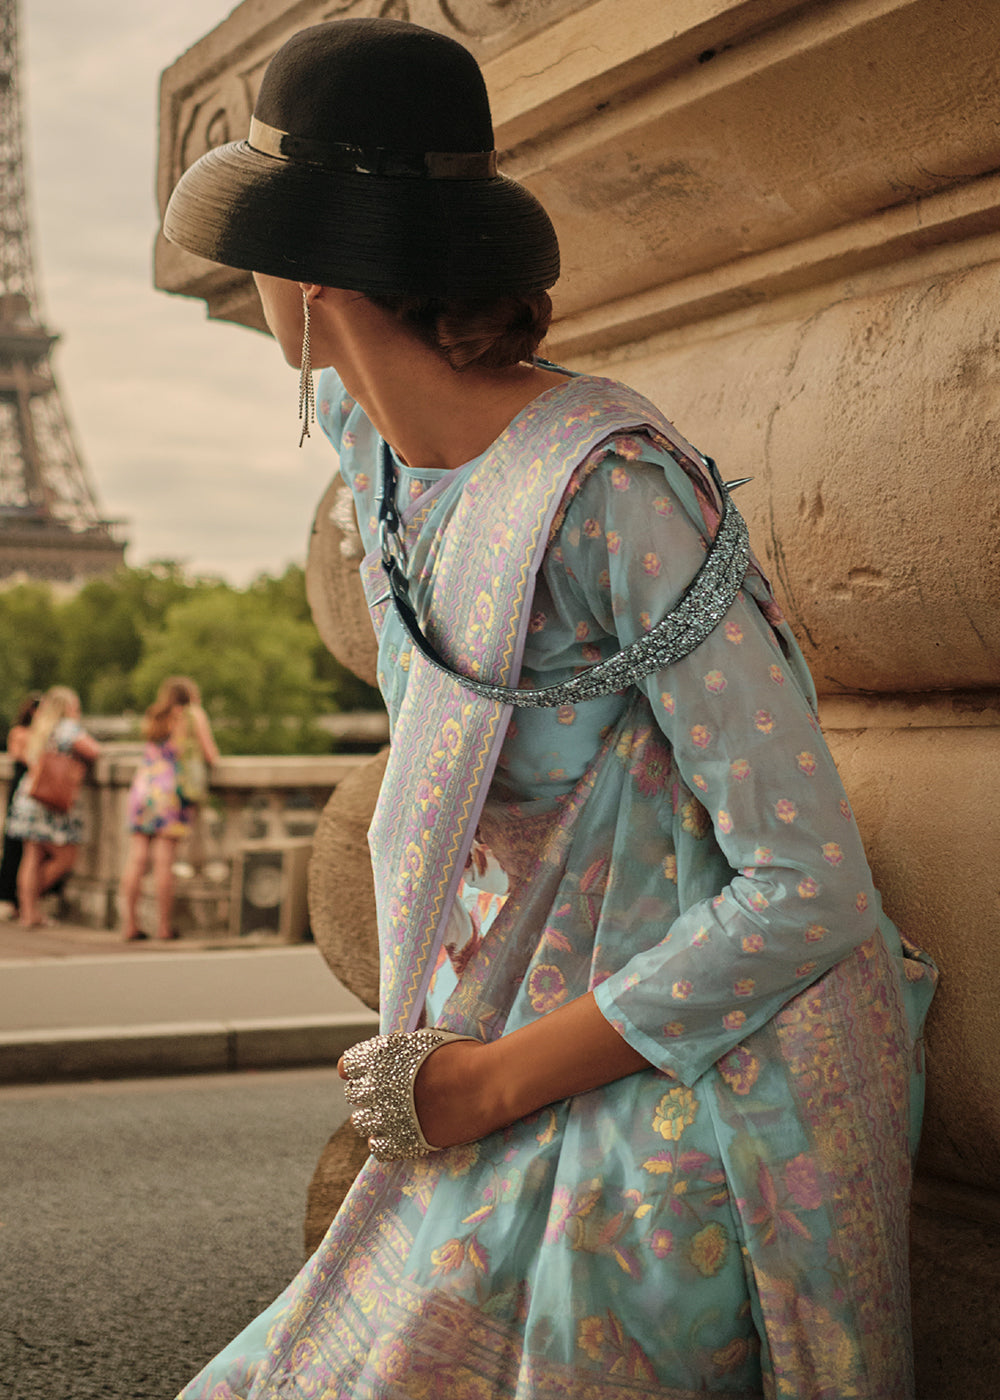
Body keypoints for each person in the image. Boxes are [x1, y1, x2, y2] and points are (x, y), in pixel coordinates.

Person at [163, 18, 937, 1399]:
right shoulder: (380, 451)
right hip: (502, 1069)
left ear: (318, 273)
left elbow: (809, 888)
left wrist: (487, 1085)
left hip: (662, 1109)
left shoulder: (612, 497)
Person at [119, 676, 219, 942]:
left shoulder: (155, 715)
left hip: (143, 787)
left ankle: (130, 924)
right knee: (164, 861)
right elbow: (211, 755)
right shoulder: (190, 715)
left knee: (137, 858)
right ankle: (163, 928)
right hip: (171, 791)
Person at [5, 686, 99, 930]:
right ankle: (29, 902)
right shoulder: (67, 727)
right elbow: (94, 751)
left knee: (32, 856)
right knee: (65, 857)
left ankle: (28, 913)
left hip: (30, 795)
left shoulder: (38, 728)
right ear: (68, 707)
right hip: (51, 801)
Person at [0, 693, 41, 916]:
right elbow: (21, 756)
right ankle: (7, 896)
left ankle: (19, 898)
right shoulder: (20, 732)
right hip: (21, 788)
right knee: (13, 842)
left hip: (31, 790)